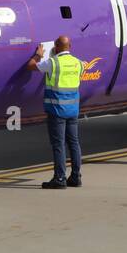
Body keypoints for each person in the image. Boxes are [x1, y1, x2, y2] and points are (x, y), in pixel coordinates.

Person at [26, 36, 84, 189]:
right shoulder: (78, 63)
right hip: (73, 109)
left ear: (55, 47)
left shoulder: (53, 62)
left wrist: (38, 54)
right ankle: (76, 177)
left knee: (58, 145)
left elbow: (31, 66)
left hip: (57, 110)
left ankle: (60, 178)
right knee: (74, 143)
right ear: (70, 46)